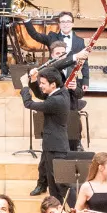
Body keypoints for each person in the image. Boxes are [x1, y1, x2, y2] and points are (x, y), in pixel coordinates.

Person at [25, 11, 90, 149]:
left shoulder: (79, 41)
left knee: (73, 130)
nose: (66, 24)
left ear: (72, 23)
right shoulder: (52, 38)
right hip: (55, 110)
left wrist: (84, 81)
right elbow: (35, 35)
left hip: (71, 102)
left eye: (68, 21)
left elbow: (84, 62)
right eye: (63, 21)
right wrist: (27, 20)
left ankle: (76, 143)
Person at [22, 69, 73, 197]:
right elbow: (42, 95)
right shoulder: (62, 92)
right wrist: (34, 80)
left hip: (55, 147)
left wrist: (24, 86)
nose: (41, 85)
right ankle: (54, 204)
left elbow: (28, 103)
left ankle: (60, 207)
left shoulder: (55, 101)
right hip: (53, 144)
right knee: (47, 174)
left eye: (43, 83)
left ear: (53, 84)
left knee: (56, 183)